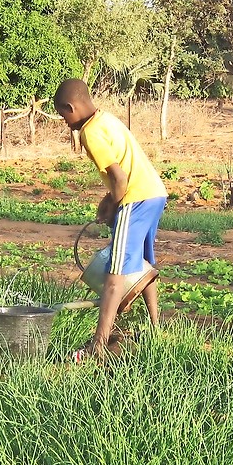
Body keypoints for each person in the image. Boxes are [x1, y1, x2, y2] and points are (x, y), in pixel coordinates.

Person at [53, 78, 167, 360]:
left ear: (71, 107)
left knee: (114, 277)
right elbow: (123, 169)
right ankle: (156, 328)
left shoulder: (90, 133)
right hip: (155, 193)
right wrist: (107, 202)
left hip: (135, 198)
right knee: (144, 266)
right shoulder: (107, 119)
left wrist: (114, 205)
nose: (65, 123)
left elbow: (119, 178)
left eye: (63, 115)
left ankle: (99, 345)